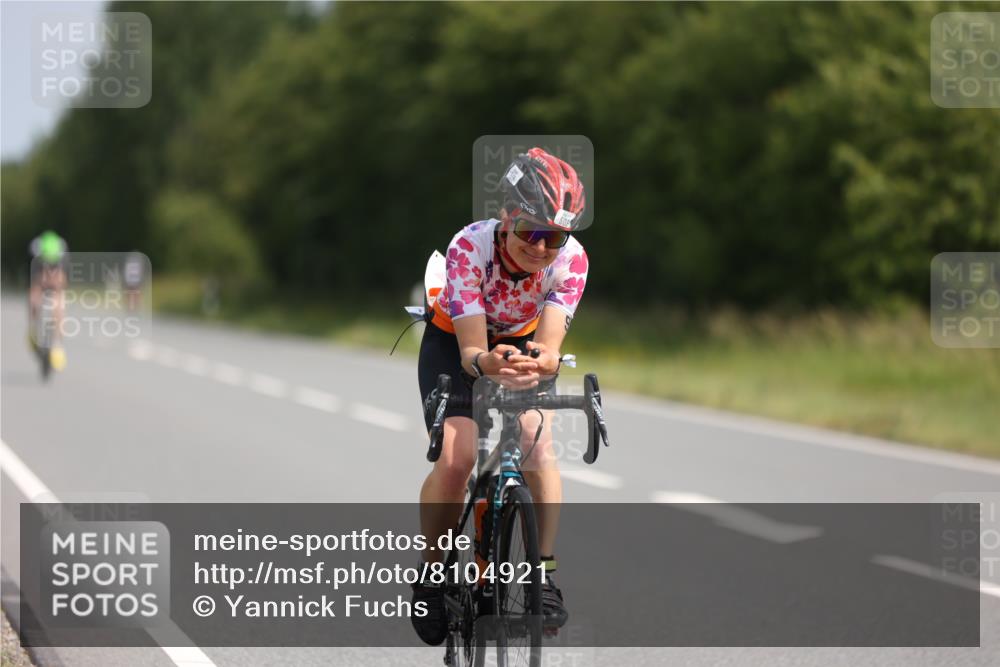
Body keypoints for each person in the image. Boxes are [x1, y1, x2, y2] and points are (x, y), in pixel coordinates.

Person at [412, 147, 589, 645]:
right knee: (458, 455)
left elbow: (551, 345)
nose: (541, 247)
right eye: (531, 230)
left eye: (555, 236)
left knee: (537, 441)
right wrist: (486, 363)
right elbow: (472, 350)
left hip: (520, 343)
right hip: (456, 341)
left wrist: (544, 362)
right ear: (507, 217)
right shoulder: (470, 246)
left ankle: (542, 575)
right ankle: (431, 573)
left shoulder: (570, 259)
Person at [28, 230, 68, 370]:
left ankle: (57, 345)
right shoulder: (36, 249)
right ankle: (33, 330)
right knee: (34, 298)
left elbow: (62, 279)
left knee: (59, 306)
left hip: (56, 279)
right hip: (39, 278)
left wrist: (56, 284)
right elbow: (35, 278)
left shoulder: (61, 250)